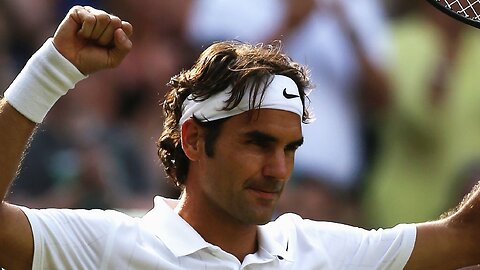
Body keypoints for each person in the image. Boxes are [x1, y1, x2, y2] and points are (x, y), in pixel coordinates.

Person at [1, 5, 480, 270]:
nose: (279, 171)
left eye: (289, 148)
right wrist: (48, 72)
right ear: (192, 140)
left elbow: (468, 238)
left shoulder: (319, 251)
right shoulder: (110, 244)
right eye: (257, 143)